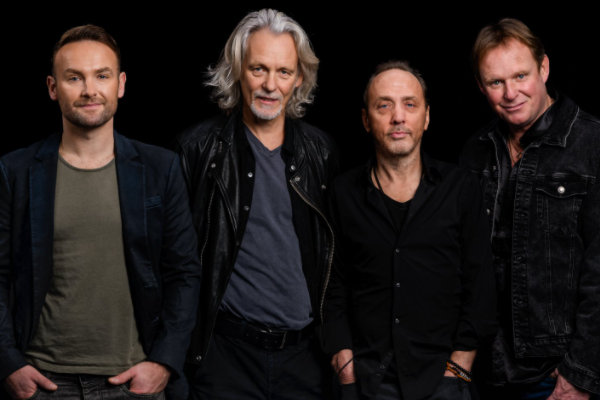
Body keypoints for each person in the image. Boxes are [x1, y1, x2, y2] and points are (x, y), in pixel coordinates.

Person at [0, 25, 200, 400]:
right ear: (52, 87)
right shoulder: (16, 170)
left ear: (120, 84)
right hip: (42, 381)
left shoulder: (161, 168)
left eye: (102, 76)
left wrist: (164, 363)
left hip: (133, 381)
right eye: (74, 77)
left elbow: (184, 273)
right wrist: (8, 363)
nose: (90, 90)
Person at [171, 8, 339, 400]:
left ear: (299, 78)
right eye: (258, 68)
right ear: (237, 70)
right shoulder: (196, 150)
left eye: (284, 71)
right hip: (223, 357)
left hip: (306, 360)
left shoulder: (322, 152)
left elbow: (337, 260)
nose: (270, 85)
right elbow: (172, 265)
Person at [319, 60, 497, 400]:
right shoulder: (342, 193)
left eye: (410, 105)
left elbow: (481, 289)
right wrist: (344, 364)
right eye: (384, 106)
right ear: (366, 120)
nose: (398, 117)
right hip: (367, 382)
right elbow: (332, 287)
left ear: (426, 117)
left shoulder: (461, 188)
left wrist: (457, 371)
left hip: (445, 381)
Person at [461, 18, 600, 400]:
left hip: (557, 375)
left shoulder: (591, 145)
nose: (511, 93)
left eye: (520, 75)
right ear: (481, 86)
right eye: (496, 82)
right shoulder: (474, 153)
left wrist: (580, 374)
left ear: (544, 67)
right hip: (484, 371)